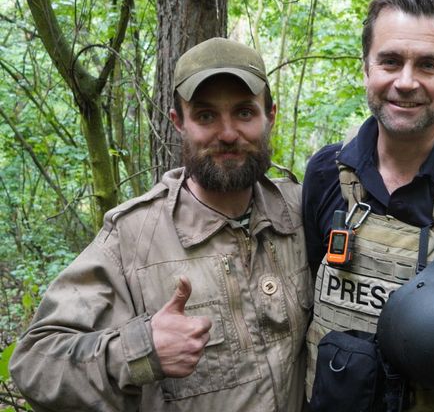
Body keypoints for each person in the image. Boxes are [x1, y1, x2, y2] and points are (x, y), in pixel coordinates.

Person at [10, 37, 312, 411]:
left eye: (244, 113)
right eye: (205, 116)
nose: (229, 133)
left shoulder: (301, 212)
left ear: (271, 115)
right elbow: (34, 364)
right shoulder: (133, 239)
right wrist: (140, 351)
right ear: (178, 123)